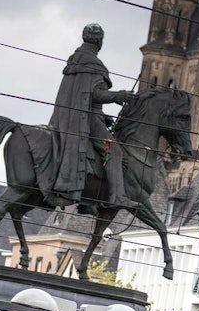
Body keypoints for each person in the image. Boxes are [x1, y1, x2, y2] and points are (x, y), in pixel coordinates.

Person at [47, 23, 136, 212]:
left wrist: (104, 116)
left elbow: (83, 97)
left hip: (71, 117)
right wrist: (118, 95)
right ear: (100, 41)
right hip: (87, 120)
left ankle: (88, 199)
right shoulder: (94, 64)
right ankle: (117, 196)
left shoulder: (75, 61)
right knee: (114, 151)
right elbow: (94, 94)